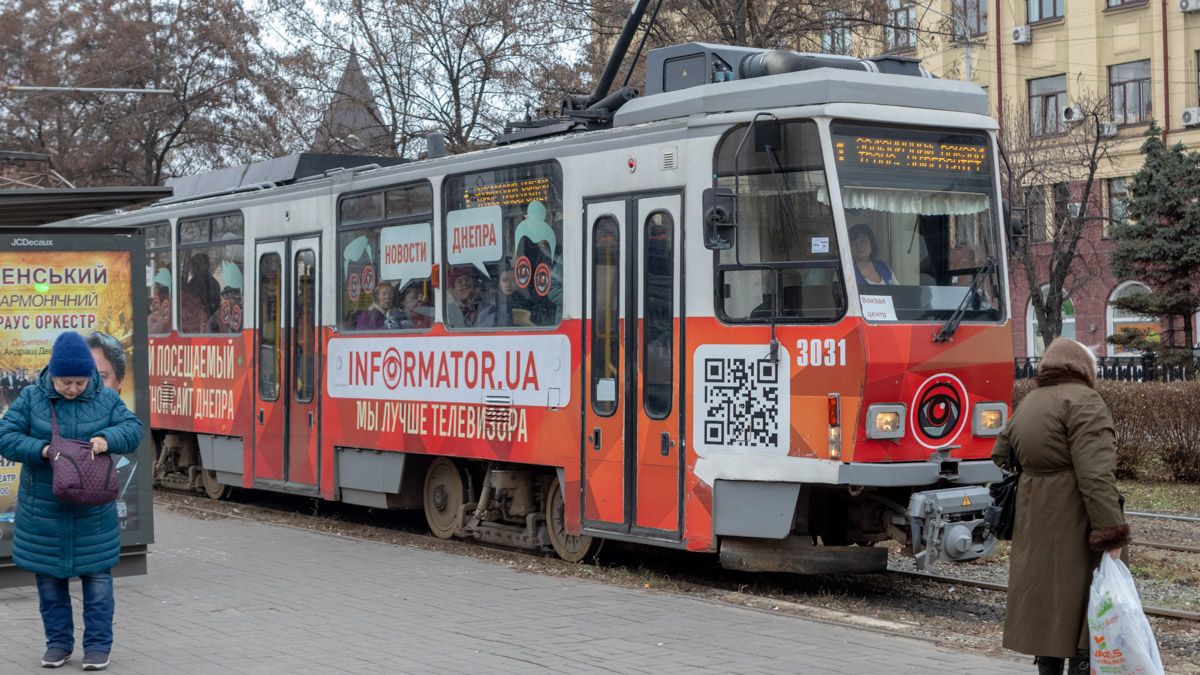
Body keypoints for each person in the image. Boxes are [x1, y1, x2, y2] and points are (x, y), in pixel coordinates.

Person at [0, 332, 142, 671]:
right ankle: (58, 645)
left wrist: (107, 438)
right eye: (66, 382)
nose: (73, 389)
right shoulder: (33, 398)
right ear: (53, 375)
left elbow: (133, 429)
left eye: (79, 382)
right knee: (50, 587)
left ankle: (97, 648)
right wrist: (42, 450)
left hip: (93, 513)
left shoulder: (105, 400)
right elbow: (6, 436)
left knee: (98, 588)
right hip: (44, 513)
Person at [991, 337, 1130, 674]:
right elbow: (1096, 476)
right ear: (1084, 368)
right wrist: (1110, 533)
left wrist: (1038, 477)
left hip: (1035, 519)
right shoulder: (1085, 402)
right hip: (1076, 522)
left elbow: (1001, 454)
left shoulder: (1030, 401)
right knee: (1085, 612)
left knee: (1046, 610)